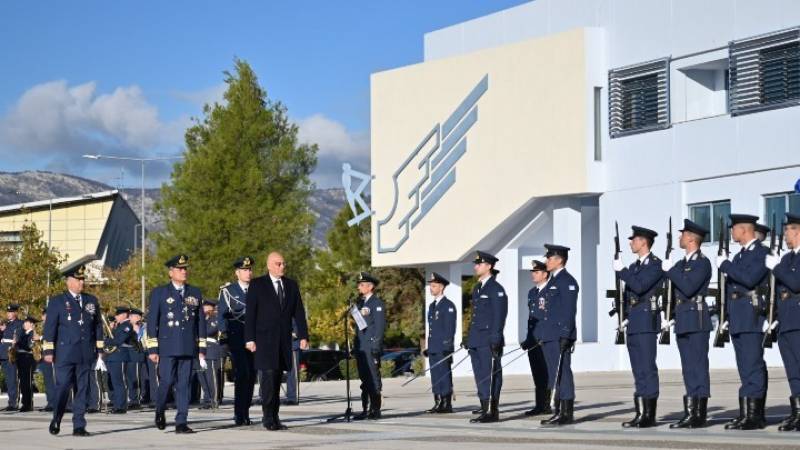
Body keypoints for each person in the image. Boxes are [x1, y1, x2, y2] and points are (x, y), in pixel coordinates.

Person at [244, 252, 309, 430]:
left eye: (283, 264)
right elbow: (251, 314)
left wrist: (303, 335)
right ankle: (268, 418)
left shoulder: (291, 285)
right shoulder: (258, 284)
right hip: (264, 341)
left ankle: (276, 416)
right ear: (269, 265)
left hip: (283, 340)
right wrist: (249, 339)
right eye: (278, 264)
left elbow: (299, 313)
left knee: (278, 377)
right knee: (268, 378)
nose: (282, 267)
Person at [716, 214, 769, 430]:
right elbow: (731, 290)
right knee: (744, 367)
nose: (731, 232)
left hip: (751, 314)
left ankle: (755, 416)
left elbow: (750, 279)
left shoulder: (762, 253)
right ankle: (746, 412)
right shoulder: (739, 256)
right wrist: (726, 317)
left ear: (744, 229)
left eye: (734, 228)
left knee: (752, 364)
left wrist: (726, 265)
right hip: (738, 315)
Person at [146, 254, 207, 434]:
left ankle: (181, 421)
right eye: (180, 269)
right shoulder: (160, 293)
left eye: (185, 268)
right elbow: (152, 322)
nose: (184, 271)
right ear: (170, 272)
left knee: (184, 385)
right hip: (167, 347)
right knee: (166, 381)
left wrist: (201, 348)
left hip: (188, 346)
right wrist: (152, 348)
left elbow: (200, 322)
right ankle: (160, 410)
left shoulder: (194, 292)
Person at [662, 219, 713, 428]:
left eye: (683, 234)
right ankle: (691, 411)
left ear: (692, 237)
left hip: (697, 319)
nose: (680, 237)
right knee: (687, 368)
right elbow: (674, 291)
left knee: (698, 366)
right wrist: (670, 313)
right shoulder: (681, 264)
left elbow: (689, 287)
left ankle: (698, 415)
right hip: (683, 318)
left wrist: (670, 271)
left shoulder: (702, 262)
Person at [43, 264, 104, 436]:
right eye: (78, 280)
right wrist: (48, 351)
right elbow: (50, 328)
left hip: (85, 352)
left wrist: (99, 348)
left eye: (82, 280)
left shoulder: (91, 300)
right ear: (68, 281)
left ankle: (79, 425)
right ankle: (57, 418)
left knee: (82, 389)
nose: (81, 283)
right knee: (62, 387)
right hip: (65, 353)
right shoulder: (57, 301)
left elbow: (97, 326)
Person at [613, 226, 663, 428]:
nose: (630, 243)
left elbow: (641, 286)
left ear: (644, 241)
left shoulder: (655, 265)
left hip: (646, 320)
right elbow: (627, 293)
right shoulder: (634, 267)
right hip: (633, 321)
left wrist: (622, 271)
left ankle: (648, 415)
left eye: (633, 239)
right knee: (637, 369)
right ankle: (640, 412)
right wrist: (623, 316)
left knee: (647, 368)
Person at [766, 212, 800, 431]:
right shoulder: (787, 258)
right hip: (787, 321)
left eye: (787, 230)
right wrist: (774, 317)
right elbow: (779, 292)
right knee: (793, 371)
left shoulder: (784, 262)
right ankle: (797, 412)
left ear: (797, 231)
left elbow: (796, 284)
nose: (784, 234)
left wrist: (776, 267)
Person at [539, 244, 579, 426]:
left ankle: (566, 413)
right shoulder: (553, 281)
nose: (547, 261)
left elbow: (569, 311)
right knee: (555, 373)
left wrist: (566, 334)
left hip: (560, 336)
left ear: (559, 260)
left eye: (550, 258)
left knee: (563, 373)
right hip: (550, 335)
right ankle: (558, 411)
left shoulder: (567, 281)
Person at [467, 251, 507, 424]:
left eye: (479, 264)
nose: (475, 266)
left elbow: (499, 316)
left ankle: (492, 410)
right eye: (476, 264)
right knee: (480, 375)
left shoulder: (496, 289)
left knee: (491, 374)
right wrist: (468, 337)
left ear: (489, 266)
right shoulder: (477, 288)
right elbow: (475, 316)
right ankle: (484, 407)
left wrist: (496, 338)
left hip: (489, 339)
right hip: (477, 339)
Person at [219, 256, 256, 425]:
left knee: (251, 375)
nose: (248, 273)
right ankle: (239, 413)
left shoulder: (257, 289)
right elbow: (222, 315)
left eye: (250, 270)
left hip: (255, 338)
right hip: (237, 337)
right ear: (237, 273)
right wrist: (224, 336)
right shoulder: (228, 291)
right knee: (242, 374)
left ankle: (246, 411)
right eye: (245, 270)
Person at [350, 271, 385, 420]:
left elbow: (379, 327)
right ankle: (365, 409)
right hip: (361, 348)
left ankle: (375, 410)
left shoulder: (376, 304)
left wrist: (376, 347)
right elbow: (359, 327)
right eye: (359, 284)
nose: (359, 287)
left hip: (370, 348)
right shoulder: (360, 304)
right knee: (364, 379)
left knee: (373, 378)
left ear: (370, 287)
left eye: (362, 284)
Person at [520, 260, 551, 416]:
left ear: (545, 274)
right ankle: (539, 405)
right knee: (537, 373)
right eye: (533, 271)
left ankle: (546, 405)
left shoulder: (550, 291)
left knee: (546, 373)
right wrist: (528, 339)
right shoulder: (532, 292)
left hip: (545, 341)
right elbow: (531, 319)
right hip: (533, 341)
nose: (533, 274)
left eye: (537, 272)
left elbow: (549, 317)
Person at [424, 272, 457, 414]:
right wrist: (428, 346)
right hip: (433, 347)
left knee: (444, 374)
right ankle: (437, 402)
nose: (431, 288)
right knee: (435, 375)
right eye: (430, 285)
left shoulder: (448, 306)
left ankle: (446, 403)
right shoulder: (432, 306)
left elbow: (450, 328)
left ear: (441, 287)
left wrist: (447, 346)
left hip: (443, 347)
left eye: (434, 285)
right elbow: (431, 328)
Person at [106, 306, 135, 414]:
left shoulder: (127, 326)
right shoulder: (119, 326)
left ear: (124, 315)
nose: (116, 317)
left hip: (120, 355)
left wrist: (106, 341)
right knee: (115, 382)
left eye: (117, 315)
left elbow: (119, 340)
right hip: (113, 356)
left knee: (120, 382)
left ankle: (121, 406)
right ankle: (117, 404)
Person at [198, 299, 222, 409]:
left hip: (211, 350)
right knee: (202, 377)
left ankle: (214, 399)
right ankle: (207, 399)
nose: (204, 309)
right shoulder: (200, 320)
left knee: (211, 377)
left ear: (211, 308)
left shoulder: (215, 318)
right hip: (199, 350)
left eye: (206, 307)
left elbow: (209, 331)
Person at [0, 303, 23, 411]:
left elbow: (17, 337)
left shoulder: (19, 323)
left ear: (15, 313)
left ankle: (13, 403)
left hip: (10, 354)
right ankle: (11, 402)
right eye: (8, 312)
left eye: (11, 312)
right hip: (2, 353)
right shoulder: (5, 324)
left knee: (12, 379)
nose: (8, 314)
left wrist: (4, 330)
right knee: (7, 380)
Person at [16, 316, 39, 412]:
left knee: (27, 382)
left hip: (28, 358)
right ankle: (25, 403)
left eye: (26, 323)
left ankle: (28, 404)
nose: (24, 324)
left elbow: (29, 346)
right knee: (23, 382)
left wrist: (18, 343)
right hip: (21, 357)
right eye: (24, 322)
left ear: (32, 324)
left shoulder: (32, 334)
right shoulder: (23, 333)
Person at [37, 308, 56, 412]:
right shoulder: (42, 326)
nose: (44, 317)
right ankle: (50, 402)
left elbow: (51, 338)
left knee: (54, 380)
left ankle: (55, 402)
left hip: (52, 356)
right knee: (48, 381)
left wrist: (39, 338)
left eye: (46, 315)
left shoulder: (54, 325)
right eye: (43, 315)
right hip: (43, 355)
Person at [127, 308, 146, 409]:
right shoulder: (127, 327)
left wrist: (137, 331)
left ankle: (137, 400)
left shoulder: (143, 327)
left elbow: (143, 341)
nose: (131, 318)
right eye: (130, 316)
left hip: (138, 354)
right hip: (128, 355)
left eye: (133, 316)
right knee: (130, 378)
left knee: (137, 378)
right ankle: (132, 398)